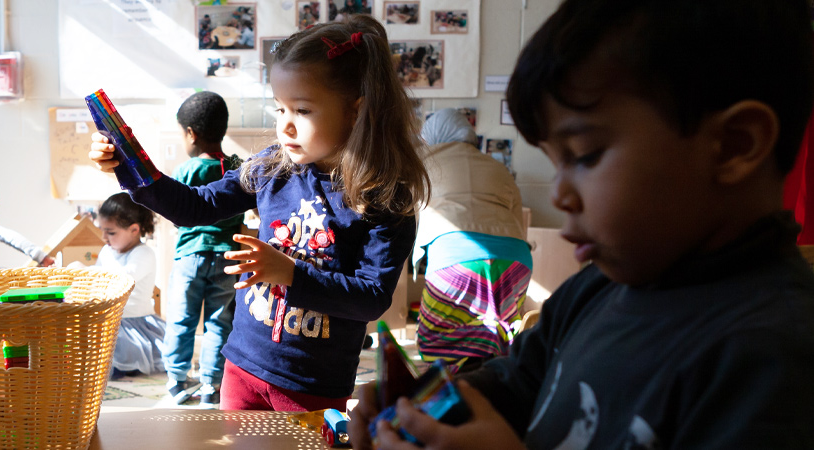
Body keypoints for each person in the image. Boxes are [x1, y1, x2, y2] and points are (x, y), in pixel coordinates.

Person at [349, 0, 814, 448]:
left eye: (586, 155)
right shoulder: (595, 289)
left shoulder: (775, 361)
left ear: (734, 145)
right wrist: (427, 409)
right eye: (556, 163)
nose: (558, 194)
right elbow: (513, 381)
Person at [91, 15, 429, 412]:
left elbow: (372, 298)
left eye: (301, 110)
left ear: (356, 111)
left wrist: (288, 272)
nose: (285, 127)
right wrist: (126, 165)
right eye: (279, 109)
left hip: (313, 385)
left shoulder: (386, 197)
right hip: (242, 368)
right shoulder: (273, 167)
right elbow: (191, 207)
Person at [412, 108, 532, 375]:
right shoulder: (498, 167)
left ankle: (454, 399)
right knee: (500, 335)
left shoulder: (422, 162)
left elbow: (409, 215)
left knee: (436, 339)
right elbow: (518, 221)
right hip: (515, 260)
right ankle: (497, 365)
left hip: (456, 259)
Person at [162, 91, 244, 408]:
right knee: (218, 323)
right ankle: (211, 385)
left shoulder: (185, 171)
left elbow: (174, 212)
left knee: (181, 321)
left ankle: (175, 381)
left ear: (191, 134)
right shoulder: (236, 168)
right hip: (226, 256)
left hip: (189, 257)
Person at [93, 192, 166, 380]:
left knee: (123, 358)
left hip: (135, 323)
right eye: (102, 230)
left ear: (134, 230)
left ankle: (127, 367)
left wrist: (87, 273)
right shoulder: (107, 251)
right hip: (108, 321)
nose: (104, 237)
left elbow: (123, 280)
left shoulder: (144, 253)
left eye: (110, 232)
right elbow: (96, 279)